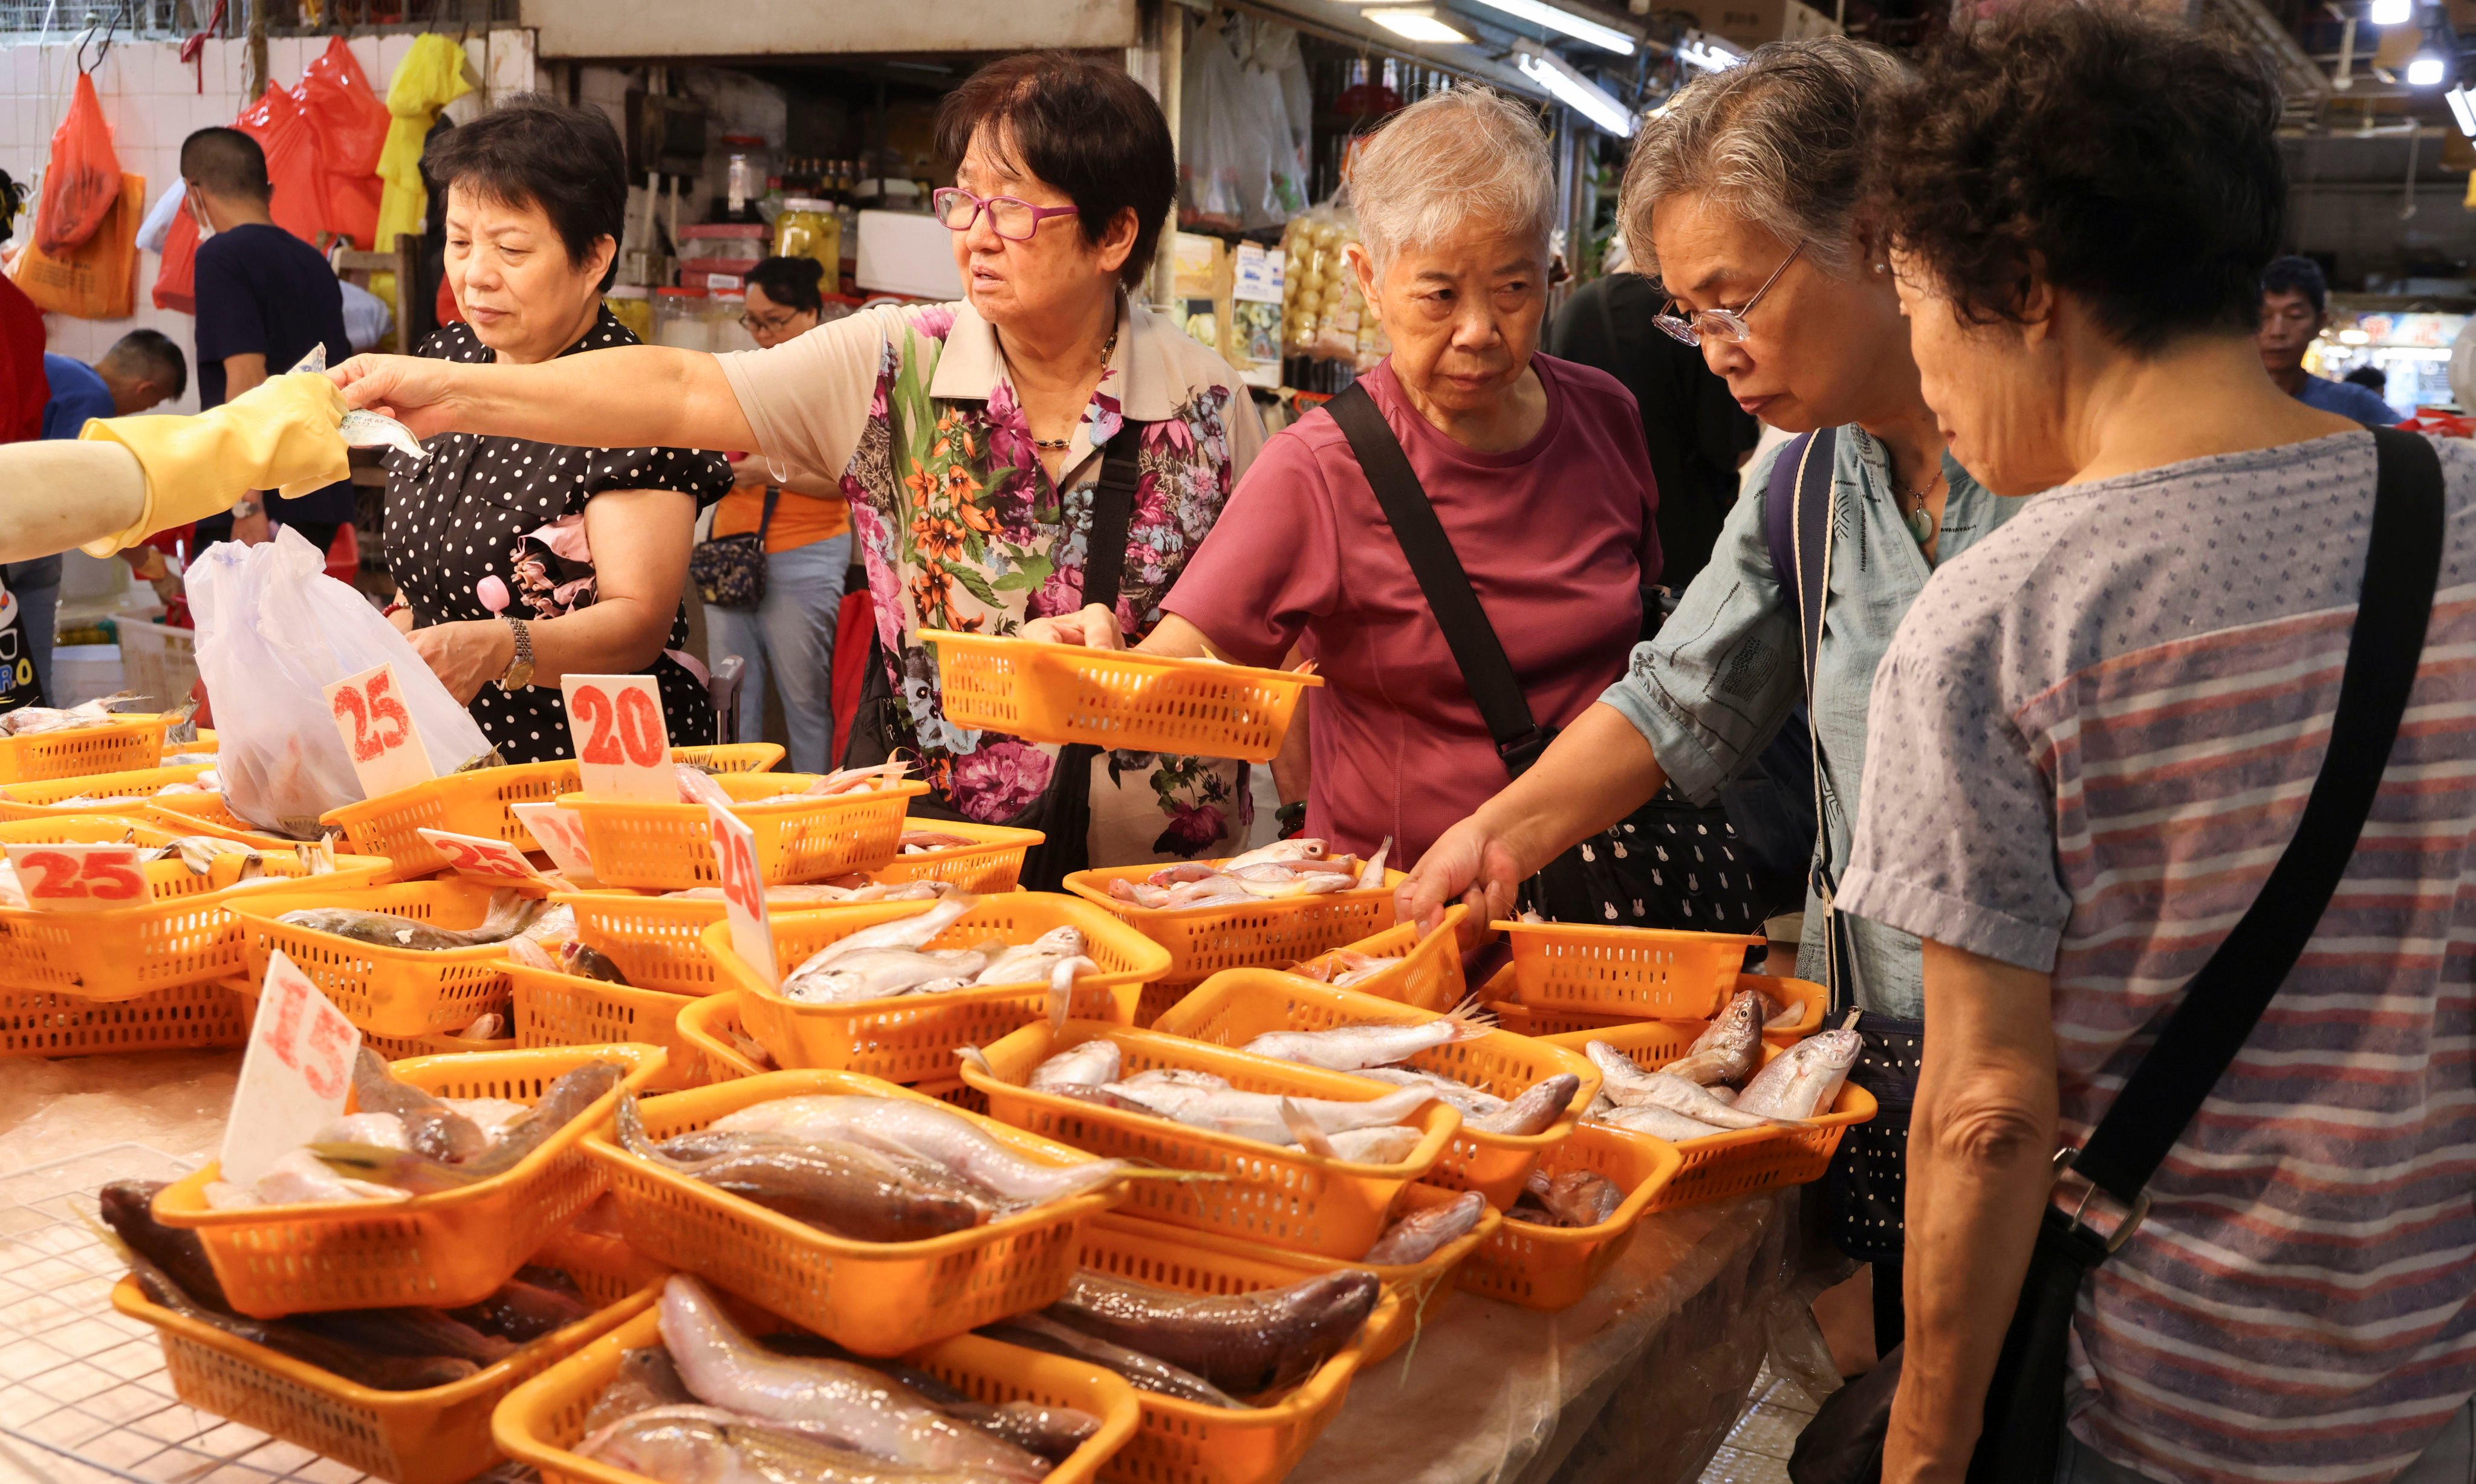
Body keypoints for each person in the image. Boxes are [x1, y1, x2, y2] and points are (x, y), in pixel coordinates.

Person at [1847, 9, 2476, 1483]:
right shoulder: (2461, 514)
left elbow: (1993, 1114)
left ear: (2024, 286)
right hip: (2437, 1367)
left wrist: (1924, 1451)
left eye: (1916, 300)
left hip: (2166, 1410)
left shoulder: (1998, 623)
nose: (1920, 361)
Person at [1396, 37, 2021, 1353]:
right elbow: (1681, 695)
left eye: (1734, 299)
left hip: (2055, 1090)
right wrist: (1495, 835)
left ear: (1875, 236)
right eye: (1692, 316)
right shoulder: (1806, 477)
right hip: (1882, 1067)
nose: (1715, 351)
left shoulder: (2061, 472)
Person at [334, 52, 1265, 867]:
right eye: (963, 199)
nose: (975, 233)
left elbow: (1272, 629)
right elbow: (684, 391)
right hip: (936, 852)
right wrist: (446, 388)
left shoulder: (1212, 404)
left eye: (1013, 208)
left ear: (1113, 235)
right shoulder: (895, 359)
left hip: (1157, 863)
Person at [1024, 85, 1666, 880]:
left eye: (1514, 288)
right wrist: (1084, 662)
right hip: (1397, 917)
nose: (1477, 329)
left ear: (1551, 270)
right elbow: (1170, 681)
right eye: (1438, 294)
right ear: (1368, 279)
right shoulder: (1320, 467)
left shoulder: (1606, 417)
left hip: (1598, 904)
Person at [376, 98, 729, 763]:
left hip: (586, 761)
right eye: (458, 242)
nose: (476, 273)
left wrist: (495, 647)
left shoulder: (636, 396)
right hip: (441, 750)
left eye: (510, 248)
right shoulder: (446, 359)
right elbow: (423, 574)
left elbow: (637, 622)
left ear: (594, 258)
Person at [700, 255, 852, 771]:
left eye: (774, 321)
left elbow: (847, 483)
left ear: (811, 313)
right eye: (753, 321)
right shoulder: (745, 373)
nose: (761, 333)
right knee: (729, 697)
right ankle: (735, 813)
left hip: (805, 553)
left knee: (805, 701)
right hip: (728, 551)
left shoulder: (837, 381)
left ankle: (815, 821)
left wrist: (765, 472)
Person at [181, 127, 356, 554]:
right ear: (268, 190)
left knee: (236, 622)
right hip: (317, 496)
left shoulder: (220, 257)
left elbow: (247, 378)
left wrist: (245, 505)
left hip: (260, 502)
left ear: (194, 193)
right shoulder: (313, 262)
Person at [1546, 244, 1758, 591]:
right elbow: (1730, 449)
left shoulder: (1573, 311)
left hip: (1589, 552)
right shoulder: (1691, 320)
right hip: (1687, 557)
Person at [21, 332, 187, 698]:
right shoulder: (93, 398)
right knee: (30, 675)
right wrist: (152, 566)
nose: (138, 413)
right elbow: (82, 501)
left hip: (19, 529)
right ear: (146, 389)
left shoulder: (69, 372)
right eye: (149, 405)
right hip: (20, 536)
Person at [2258, 254, 2401, 428]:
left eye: (2295, 316)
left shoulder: (2352, 404)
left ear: (2320, 322)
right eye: (2264, 317)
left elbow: (2417, 442)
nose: (2277, 331)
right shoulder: (2219, 404)